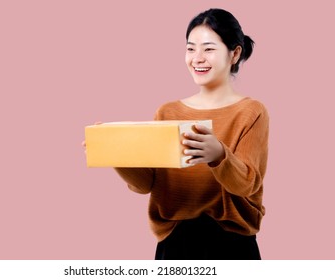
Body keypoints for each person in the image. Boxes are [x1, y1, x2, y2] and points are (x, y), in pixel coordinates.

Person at [112, 8, 269, 259]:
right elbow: (147, 184)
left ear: (235, 53)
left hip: (233, 244)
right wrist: (116, 155)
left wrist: (219, 155)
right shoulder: (167, 112)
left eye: (208, 49)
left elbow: (247, 185)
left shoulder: (251, 112)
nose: (197, 58)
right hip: (174, 242)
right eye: (190, 48)